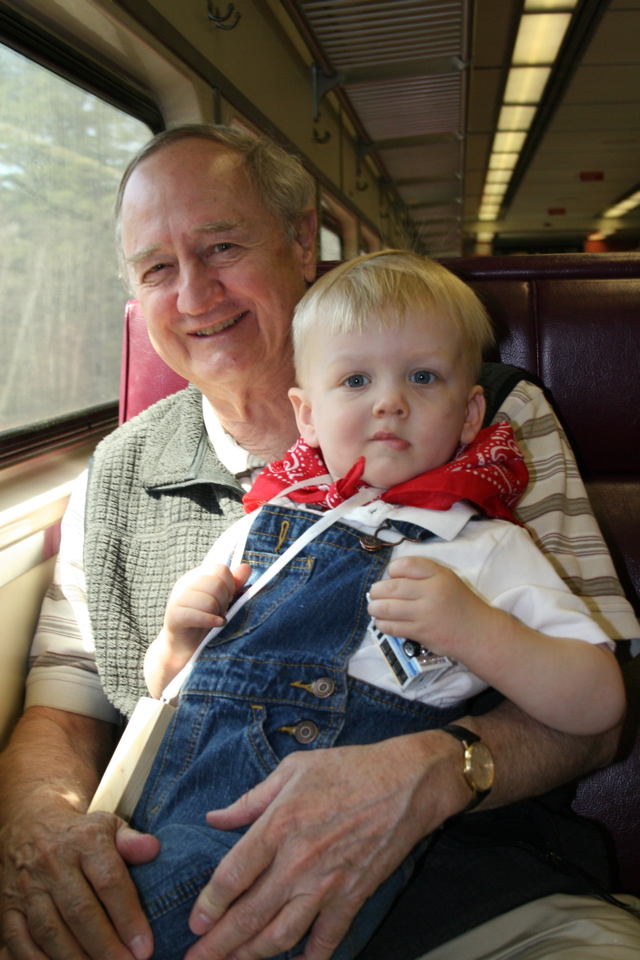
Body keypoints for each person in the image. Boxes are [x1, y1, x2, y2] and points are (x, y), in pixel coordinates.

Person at [0, 124, 638, 960]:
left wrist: (434, 773)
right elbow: (62, 703)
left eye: (222, 246)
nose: (193, 294)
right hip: (185, 866)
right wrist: (46, 826)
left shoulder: (487, 429)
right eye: (157, 268)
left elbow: (598, 711)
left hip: (468, 884)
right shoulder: (117, 472)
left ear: (304, 243)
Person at [129, 250, 626, 959]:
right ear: (307, 414)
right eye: (356, 379)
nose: (390, 400)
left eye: (423, 377)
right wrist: (178, 639)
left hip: (319, 850)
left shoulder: (485, 548)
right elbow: (170, 690)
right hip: (176, 808)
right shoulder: (267, 526)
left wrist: (481, 632)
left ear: (469, 414)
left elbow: (598, 704)